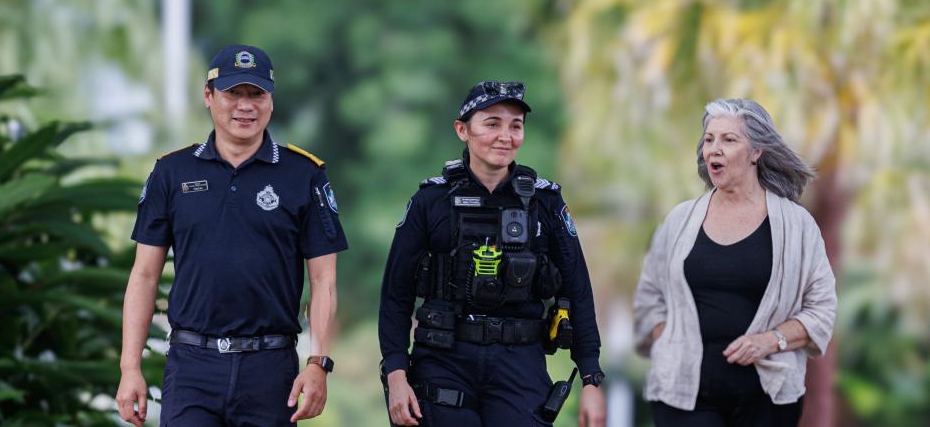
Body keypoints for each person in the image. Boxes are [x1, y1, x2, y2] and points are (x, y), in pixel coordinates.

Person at [115, 45, 347, 426]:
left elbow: (324, 280)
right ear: (208, 97)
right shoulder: (171, 173)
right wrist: (130, 368)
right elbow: (143, 275)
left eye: (256, 94)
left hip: (270, 370)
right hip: (191, 366)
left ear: (270, 101)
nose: (245, 106)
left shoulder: (303, 175)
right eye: (233, 93)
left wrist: (318, 363)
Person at [379, 81, 607, 427]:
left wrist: (590, 376)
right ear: (462, 130)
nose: (505, 136)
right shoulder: (430, 201)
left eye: (516, 126)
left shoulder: (545, 203)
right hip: (444, 360)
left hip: (520, 364)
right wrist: (396, 375)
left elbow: (577, 288)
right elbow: (396, 294)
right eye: (492, 124)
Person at [633, 98, 837, 426]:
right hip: (684, 395)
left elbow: (822, 309)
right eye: (709, 139)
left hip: (767, 398)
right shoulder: (680, 220)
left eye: (729, 140)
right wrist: (669, 342)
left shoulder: (796, 225)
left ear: (756, 152)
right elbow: (649, 296)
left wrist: (770, 341)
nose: (714, 148)